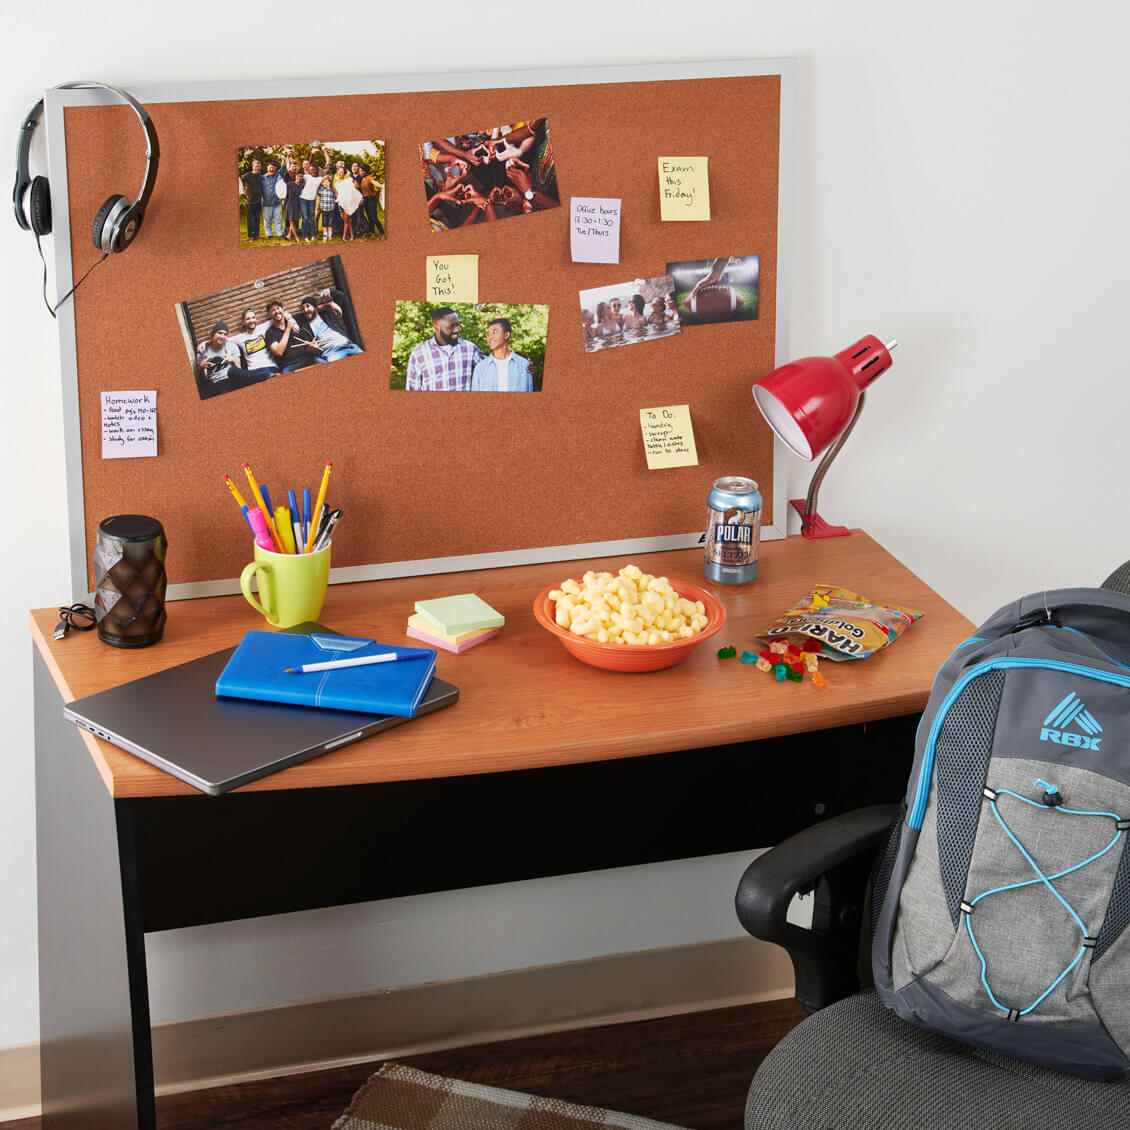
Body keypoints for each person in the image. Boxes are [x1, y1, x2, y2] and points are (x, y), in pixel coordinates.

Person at [405, 307, 484, 391]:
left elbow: (491, 368)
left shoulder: (470, 348)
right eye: (451, 327)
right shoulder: (418, 354)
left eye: (457, 325)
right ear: (437, 328)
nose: (456, 330)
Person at [195, 322, 273, 396]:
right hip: (216, 383)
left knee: (232, 371)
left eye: (225, 334)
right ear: (213, 334)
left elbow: (240, 370)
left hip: (232, 378)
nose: (222, 336)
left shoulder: (232, 346)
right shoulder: (202, 352)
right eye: (219, 333)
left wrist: (232, 360)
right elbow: (204, 380)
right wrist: (202, 368)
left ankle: (268, 376)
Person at [298, 291, 363, 362]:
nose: (305, 310)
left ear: (316, 307)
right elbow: (307, 350)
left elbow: (342, 297)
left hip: (349, 345)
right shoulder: (304, 328)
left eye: (308, 306)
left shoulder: (328, 313)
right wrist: (311, 349)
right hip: (331, 353)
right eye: (302, 308)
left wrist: (329, 293)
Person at [471, 318, 534, 391]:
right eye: (488, 334)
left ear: (506, 335)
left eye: (494, 332)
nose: (490, 337)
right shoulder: (480, 368)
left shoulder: (525, 366)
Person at [263, 301, 325, 374]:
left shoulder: (296, 320)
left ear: (283, 309)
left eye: (278, 308)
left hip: (307, 359)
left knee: (325, 364)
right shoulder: (270, 333)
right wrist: (288, 328)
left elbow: (314, 310)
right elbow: (278, 352)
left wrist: (311, 349)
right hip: (289, 365)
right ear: (270, 314)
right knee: (284, 379)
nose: (276, 311)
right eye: (273, 310)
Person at [228, 309, 280, 377]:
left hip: (269, 367)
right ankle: (267, 376)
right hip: (253, 372)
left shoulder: (263, 328)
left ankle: (267, 375)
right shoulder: (239, 338)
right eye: (248, 319)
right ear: (243, 322)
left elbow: (281, 316)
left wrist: (292, 322)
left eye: (253, 318)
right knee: (231, 371)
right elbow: (224, 340)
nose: (251, 321)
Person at [359, 162, 385, 237]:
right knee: (369, 217)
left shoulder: (369, 177)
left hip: (371, 199)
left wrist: (382, 186)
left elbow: (374, 182)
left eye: (363, 171)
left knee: (374, 218)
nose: (361, 172)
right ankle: (372, 233)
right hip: (365, 199)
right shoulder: (362, 179)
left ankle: (382, 233)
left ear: (366, 171)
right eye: (360, 171)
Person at [260, 162, 285, 238]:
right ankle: (269, 234)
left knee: (278, 219)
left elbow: (283, 167)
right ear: (267, 168)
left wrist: (284, 159)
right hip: (266, 203)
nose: (271, 169)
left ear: (275, 169)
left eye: (273, 168)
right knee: (267, 220)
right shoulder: (262, 178)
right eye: (270, 168)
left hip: (277, 202)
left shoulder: (277, 175)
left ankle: (280, 233)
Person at [240, 159, 263, 241]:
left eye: (259, 166)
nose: (257, 168)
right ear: (253, 167)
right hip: (250, 201)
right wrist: (243, 190)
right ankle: (250, 236)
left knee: (257, 220)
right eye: (256, 166)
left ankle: (257, 235)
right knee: (250, 220)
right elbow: (239, 181)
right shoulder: (247, 175)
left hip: (258, 201)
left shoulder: (260, 176)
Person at [299, 162, 320, 242]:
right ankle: (304, 236)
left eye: (314, 170)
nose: (312, 171)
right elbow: (298, 175)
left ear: (317, 170)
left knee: (312, 218)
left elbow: (328, 182)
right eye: (310, 170)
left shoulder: (320, 178)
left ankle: (313, 235)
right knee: (305, 218)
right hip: (303, 199)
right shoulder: (306, 176)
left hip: (312, 200)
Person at [283, 166, 303, 243]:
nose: (300, 178)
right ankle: (296, 237)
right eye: (298, 176)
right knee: (292, 222)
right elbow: (283, 192)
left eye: (301, 176)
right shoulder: (289, 184)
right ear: (295, 176)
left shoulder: (302, 185)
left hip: (297, 205)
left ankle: (289, 235)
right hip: (290, 204)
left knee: (295, 221)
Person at [315, 175, 337, 241]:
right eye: (324, 182)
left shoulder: (332, 190)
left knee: (330, 223)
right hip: (324, 209)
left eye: (327, 182)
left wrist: (332, 188)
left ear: (330, 183)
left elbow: (336, 195)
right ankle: (325, 235)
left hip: (331, 209)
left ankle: (329, 235)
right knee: (324, 223)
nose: (325, 184)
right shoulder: (321, 190)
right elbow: (317, 191)